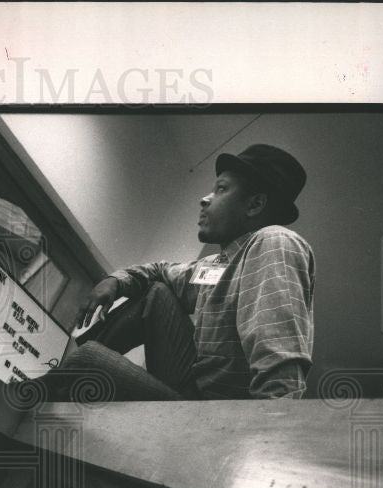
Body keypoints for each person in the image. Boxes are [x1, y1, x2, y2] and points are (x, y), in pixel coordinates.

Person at [44, 143, 315, 402]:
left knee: (87, 359)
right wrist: (116, 281)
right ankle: (56, 368)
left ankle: (50, 381)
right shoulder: (216, 265)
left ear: (254, 205)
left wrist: (270, 432)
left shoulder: (275, 242)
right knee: (157, 293)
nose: (205, 199)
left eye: (221, 189)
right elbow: (160, 272)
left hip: (217, 417)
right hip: (193, 387)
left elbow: (280, 357)